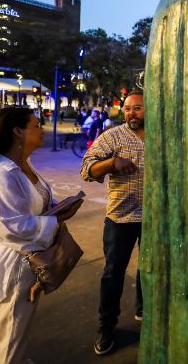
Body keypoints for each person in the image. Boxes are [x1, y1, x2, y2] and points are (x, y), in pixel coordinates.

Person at [0, 107, 83, 364]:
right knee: (11, 331)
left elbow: (34, 204)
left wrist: (58, 206)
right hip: (14, 266)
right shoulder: (0, 177)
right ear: (18, 132)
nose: (43, 128)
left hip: (28, 262)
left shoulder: (23, 165)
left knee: (15, 328)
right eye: (37, 125)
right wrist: (55, 219)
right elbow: (10, 226)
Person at [80, 92, 145, 356]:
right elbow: (86, 168)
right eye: (127, 108)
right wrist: (111, 163)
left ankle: (145, 312)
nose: (131, 113)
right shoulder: (113, 136)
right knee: (113, 274)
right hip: (120, 218)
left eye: (138, 108)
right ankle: (106, 327)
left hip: (154, 219)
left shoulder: (162, 136)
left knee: (150, 269)